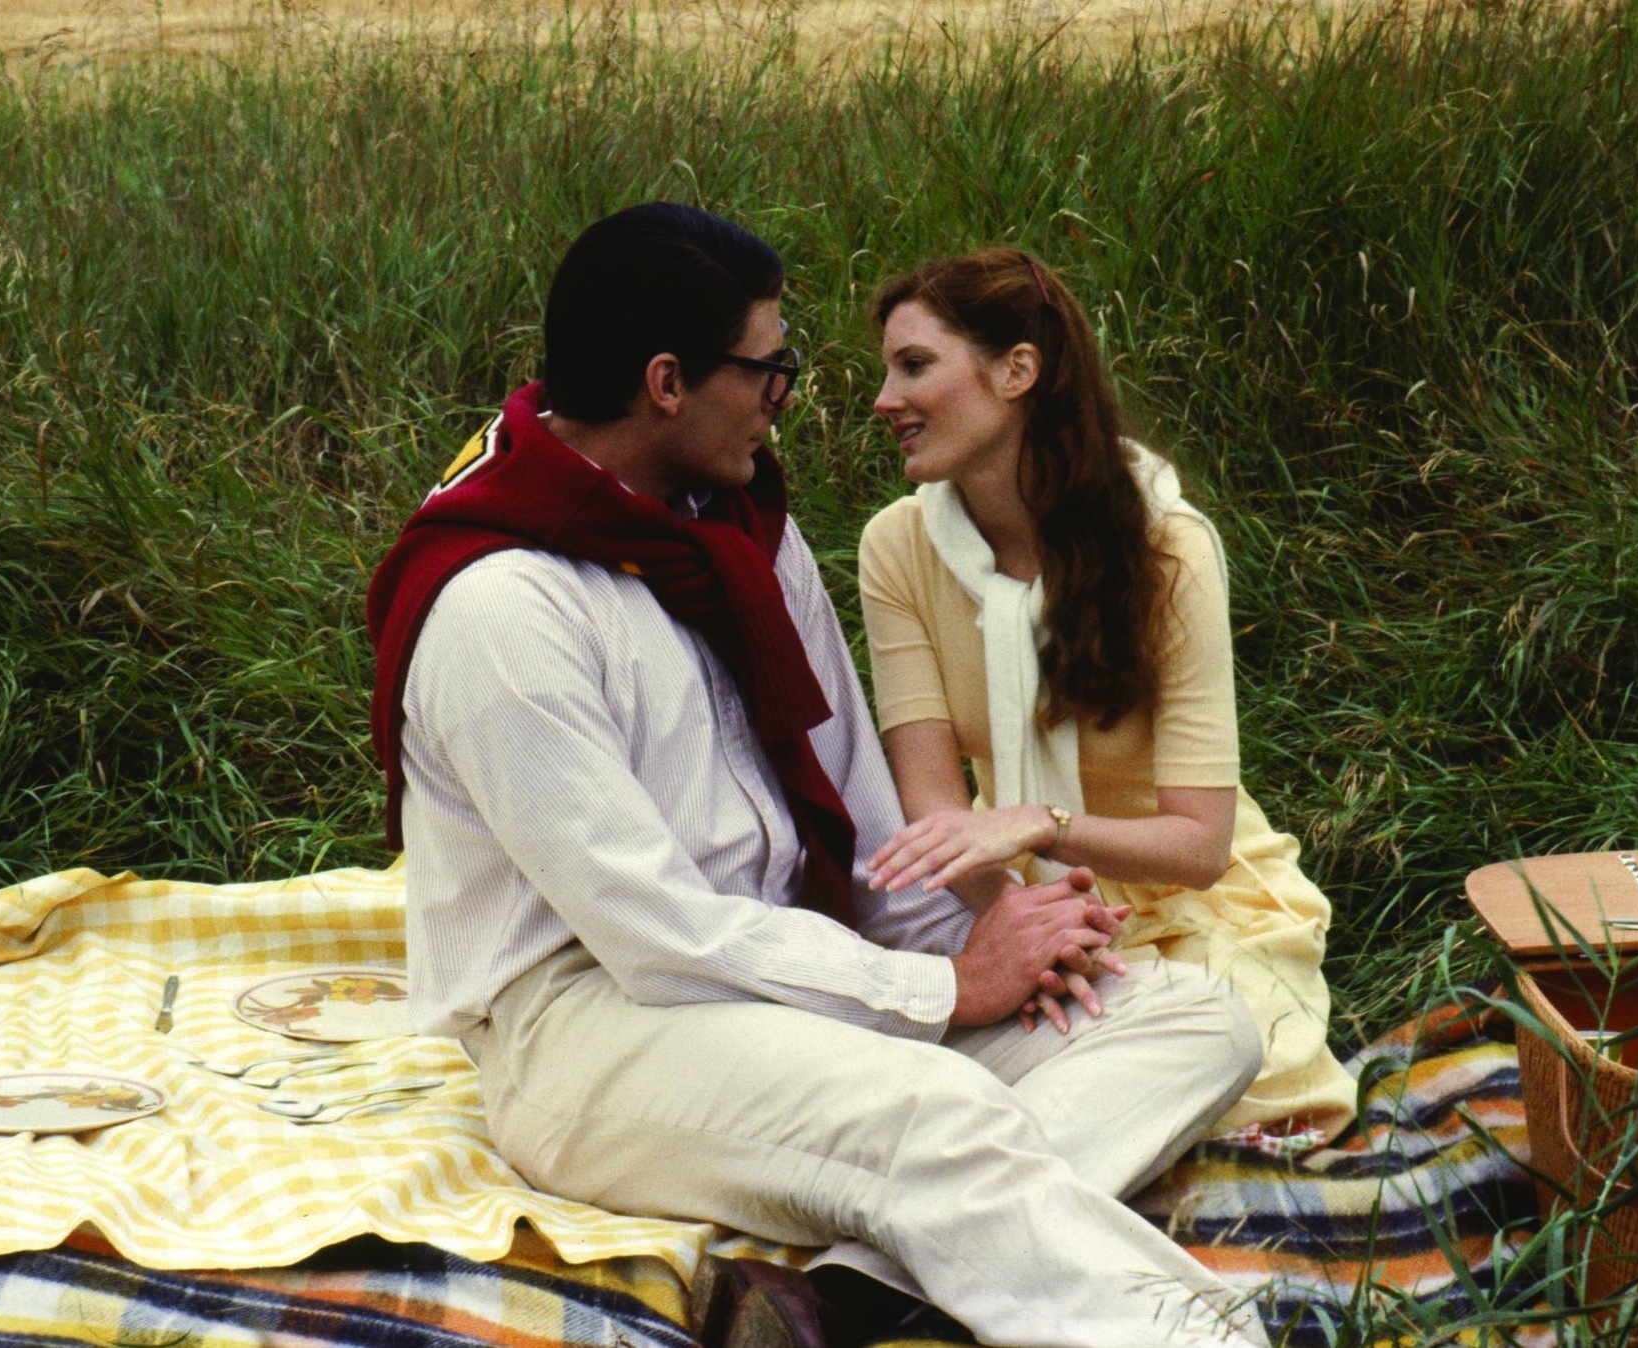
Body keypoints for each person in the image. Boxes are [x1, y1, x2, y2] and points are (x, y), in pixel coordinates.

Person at [365, 204, 1266, 1348]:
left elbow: (860, 820)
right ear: (666, 383)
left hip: (789, 965)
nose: (786, 397)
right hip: (593, 1023)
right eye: (769, 370)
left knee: (1194, 1017)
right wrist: (946, 991)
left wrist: (997, 934)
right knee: (932, 1111)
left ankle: (847, 1297)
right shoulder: (502, 607)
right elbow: (659, 936)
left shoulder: (744, 532)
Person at [858, 246, 1358, 1146]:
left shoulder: (1168, 548)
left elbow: (1199, 845)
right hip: (998, 891)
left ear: (1016, 371)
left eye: (914, 365)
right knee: (914, 1069)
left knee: (1231, 1071)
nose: (883, 398)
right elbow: (932, 802)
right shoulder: (895, 548)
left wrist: (1042, 826)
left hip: (1190, 898)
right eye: (887, 370)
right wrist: (1019, 921)